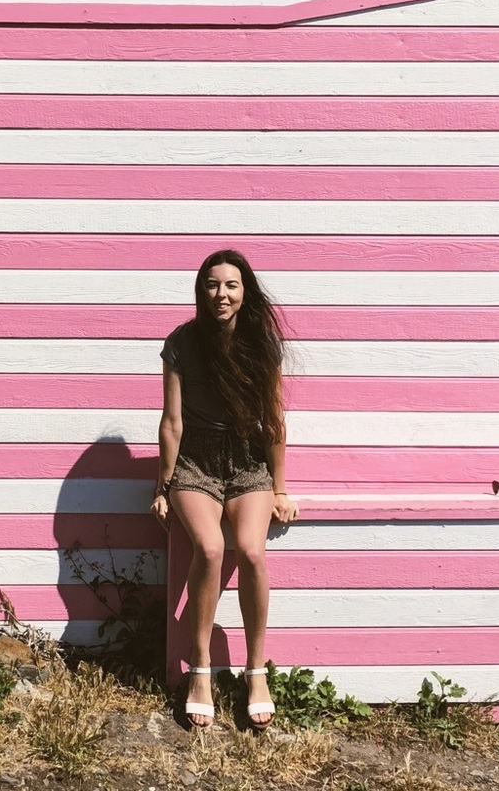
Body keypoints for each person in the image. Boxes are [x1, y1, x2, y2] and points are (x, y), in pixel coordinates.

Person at [151, 249, 299, 730]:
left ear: (244, 291)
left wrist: (279, 488)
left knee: (252, 552)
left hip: (247, 460)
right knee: (211, 548)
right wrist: (163, 483)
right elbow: (172, 422)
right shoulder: (181, 343)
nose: (221, 294)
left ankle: (257, 673)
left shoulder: (262, 344)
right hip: (196, 461)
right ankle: (200, 672)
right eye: (213, 285)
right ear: (202, 291)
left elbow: (274, 420)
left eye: (231, 285)